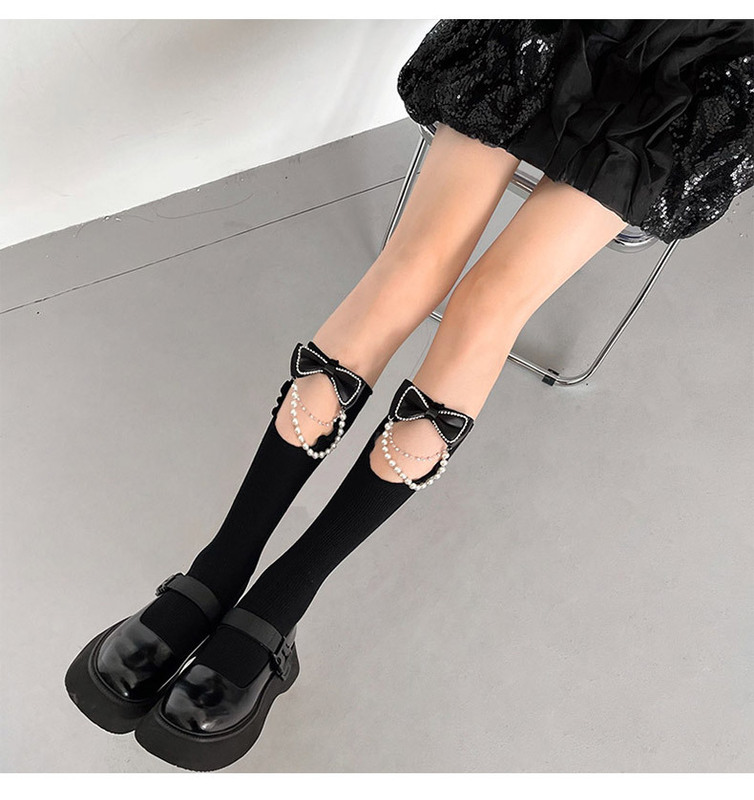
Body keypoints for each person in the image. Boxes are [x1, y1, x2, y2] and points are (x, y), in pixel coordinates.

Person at [65, 20, 754, 770]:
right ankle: (220, 566)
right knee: (412, 266)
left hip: (711, 63)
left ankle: (280, 597)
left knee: (487, 305)